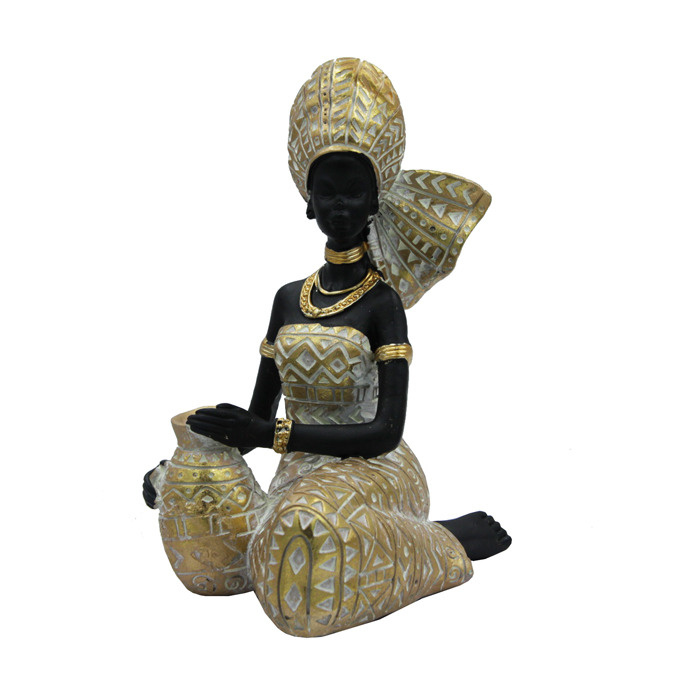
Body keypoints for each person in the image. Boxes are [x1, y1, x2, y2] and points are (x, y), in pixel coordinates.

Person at [144, 58, 511, 637]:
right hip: (298, 472)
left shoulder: (382, 303)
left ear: (376, 200)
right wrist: (187, 468)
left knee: (304, 542)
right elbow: (257, 419)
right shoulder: (287, 299)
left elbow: (384, 431)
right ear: (309, 201)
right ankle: (286, 537)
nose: (341, 206)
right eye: (328, 192)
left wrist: (270, 436)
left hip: (376, 469)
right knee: (212, 555)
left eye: (354, 192)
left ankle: (441, 539)